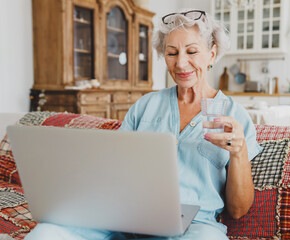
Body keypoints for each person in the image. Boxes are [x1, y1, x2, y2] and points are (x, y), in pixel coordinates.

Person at [25, 9, 262, 240]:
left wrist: (239, 152)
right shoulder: (145, 105)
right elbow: (115, 171)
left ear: (212, 54)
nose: (180, 63)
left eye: (191, 51)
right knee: (47, 232)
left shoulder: (234, 115)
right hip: (125, 216)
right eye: (171, 53)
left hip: (194, 226)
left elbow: (239, 210)